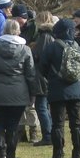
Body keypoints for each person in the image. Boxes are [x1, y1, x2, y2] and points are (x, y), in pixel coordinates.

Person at [0, 19, 39, 158]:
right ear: (18, 30)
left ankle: (1, 155)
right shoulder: (25, 50)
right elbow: (31, 74)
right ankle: (11, 155)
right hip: (18, 91)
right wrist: (33, 93)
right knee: (13, 125)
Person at [42, 18, 80, 158]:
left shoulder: (52, 47)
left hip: (57, 90)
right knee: (77, 124)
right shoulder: (77, 47)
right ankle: (78, 153)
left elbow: (43, 68)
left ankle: (58, 155)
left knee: (58, 124)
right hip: (77, 89)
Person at [12, 3, 40, 143]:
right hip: (18, 69)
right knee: (19, 103)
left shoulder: (34, 28)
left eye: (20, 18)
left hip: (30, 68)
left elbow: (34, 47)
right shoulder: (15, 29)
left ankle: (33, 131)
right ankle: (21, 131)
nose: (18, 21)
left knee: (31, 104)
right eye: (16, 18)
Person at [31, 12, 58, 147]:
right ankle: (51, 133)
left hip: (42, 76)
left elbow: (39, 57)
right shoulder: (53, 35)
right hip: (49, 75)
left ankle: (47, 135)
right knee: (46, 107)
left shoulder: (44, 36)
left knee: (41, 106)